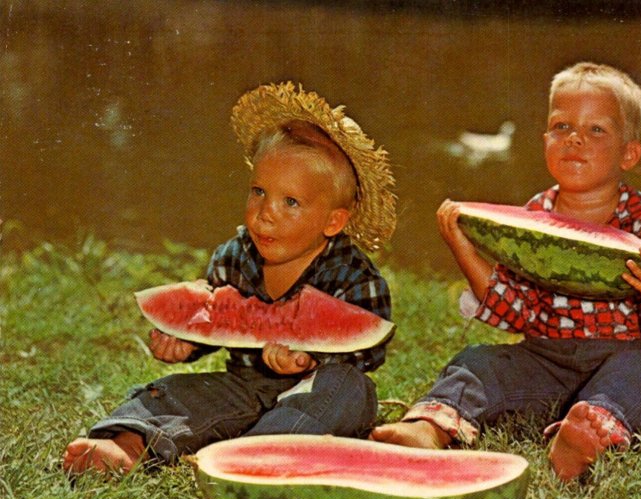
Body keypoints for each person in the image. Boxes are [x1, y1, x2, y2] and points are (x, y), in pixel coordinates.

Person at [370, 62, 641, 482]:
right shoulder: (529, 219)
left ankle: (586, 434)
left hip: (618, 357)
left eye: (596, 130)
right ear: (544, 140)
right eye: (561, 126)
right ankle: (429, 428)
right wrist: (463, 248)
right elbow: (515, 311)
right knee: (479, 361)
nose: (574, 138)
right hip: (540, 360)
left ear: (629, 153)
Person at [63, 82, 397, 475]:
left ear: (333, 221)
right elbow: (214, 322)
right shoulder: (234, 257)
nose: (265, 213)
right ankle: (128, 446)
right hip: (243, 388)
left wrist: (312, 357)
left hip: (318, 392)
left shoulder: (354, 275)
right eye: (258, 192)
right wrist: (186, 344)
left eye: (290, 202)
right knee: (175, 392)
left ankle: (256, 455)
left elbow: (370, 347)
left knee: (347, 391)